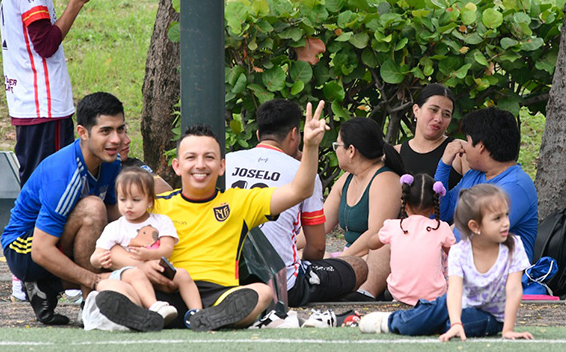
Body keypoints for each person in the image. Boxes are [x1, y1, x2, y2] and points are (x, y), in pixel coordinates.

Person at [142, 102, 329, 330]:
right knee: (118, 283)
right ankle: (172, 316)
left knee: (262, 292)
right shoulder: (157, 205)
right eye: (191, 158)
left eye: (209, 158)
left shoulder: (240, 201)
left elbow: (300, 190)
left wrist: (310, 146)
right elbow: (122, 248)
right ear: (177, 166)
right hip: (170, 291)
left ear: (222, 166)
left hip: (219, 295)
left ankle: (204, 318)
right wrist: (142, 267)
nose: (200, 165)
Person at [0, 92, 164, 329]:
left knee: (126, 219)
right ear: (83, 133)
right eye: (105, 131)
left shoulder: (110, 162)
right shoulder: (65, 174)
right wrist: (96, 279)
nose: (116, 139)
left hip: (57, 240)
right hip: (24, 247)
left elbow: (114, 215)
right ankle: (91, 304)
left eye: (120, 129)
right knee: (92, 208)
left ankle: (48, 287)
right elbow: (41, 251)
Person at [225, 99, 367, 307]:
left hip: (227, 277)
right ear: (294, 134)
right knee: (358, 266)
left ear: (258, 134)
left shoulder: (227, 161)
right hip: (281, 286)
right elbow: (317, 248)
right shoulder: (302, 175)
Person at [0, 0, 97, 186]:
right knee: (49, 190)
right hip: (42, 105)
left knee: (39, 186)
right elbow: (44, 43)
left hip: (32, 103)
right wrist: (76, 2)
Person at [360, 184, 532, 340]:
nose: (506, 223)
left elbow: (514, 288)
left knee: (452, 324)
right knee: (440, 308)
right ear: (475, 226)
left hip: (490, 316)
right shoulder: (459, 251)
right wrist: (456, 322)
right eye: (497, 218)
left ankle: (425, 320)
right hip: (457, 305)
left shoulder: (514, 245)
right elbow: (455, 290)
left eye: (506, 215)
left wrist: (508, 329)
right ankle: (391, 321)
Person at [91, 167, 202, 326]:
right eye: (123, 199)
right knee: (134, 273)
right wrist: (98, 260)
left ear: (149, 200)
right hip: (130, 276)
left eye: (136, 200)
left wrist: (148, 255)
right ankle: (154, 308)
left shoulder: (161, 221)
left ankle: (198, 313)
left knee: (183, 275)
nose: (128, 206)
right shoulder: (115, 228)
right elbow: (96, 256)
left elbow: (167, 249)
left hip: (158, 270)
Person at [436, 108, 538, 262]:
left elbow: (474, 237)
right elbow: (439, 214)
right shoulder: (475, 175)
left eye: (467, 140)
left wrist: (446, 232)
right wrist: (444, 165)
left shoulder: (516, 186)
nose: (463, 147)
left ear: (480, 146)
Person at [323, 117, 404, 298]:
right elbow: (319, 225)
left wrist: (339, 263)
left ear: (351, 150)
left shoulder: (385, 179)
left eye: (337, 146)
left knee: (379, 248)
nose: (336, 151)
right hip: (349, 257)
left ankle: (363, 293)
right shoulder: (346, 179)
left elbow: (375, 234)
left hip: (373, 258)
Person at [369, 173, 455, 305]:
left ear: (405, 204)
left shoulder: (394, 226)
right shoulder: (441, 228)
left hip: (399, 294)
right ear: (434, 208)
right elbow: (455, 255)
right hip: (434, 296)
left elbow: (371, 244)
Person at [394, 84, 464, 188]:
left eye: (446, 114)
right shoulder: (396, 153)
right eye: (433, 110)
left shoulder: (459, 151)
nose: (438, 119)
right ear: (416, 110)